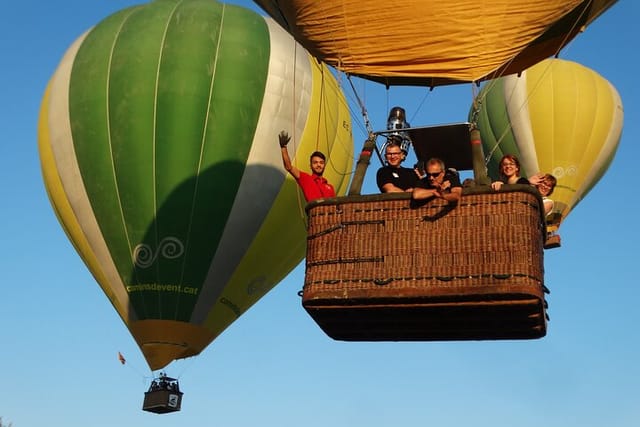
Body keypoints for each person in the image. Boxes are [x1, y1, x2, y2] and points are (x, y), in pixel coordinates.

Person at [278, 130, 336, 202]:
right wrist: (283, 148)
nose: (318, 165)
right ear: (310, 166)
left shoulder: (330, 187)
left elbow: (335, 206)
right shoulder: (305, 178)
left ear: (324, 165)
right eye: (315, 162)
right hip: (314, 212)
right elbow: (289, 167)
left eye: (321, 162)